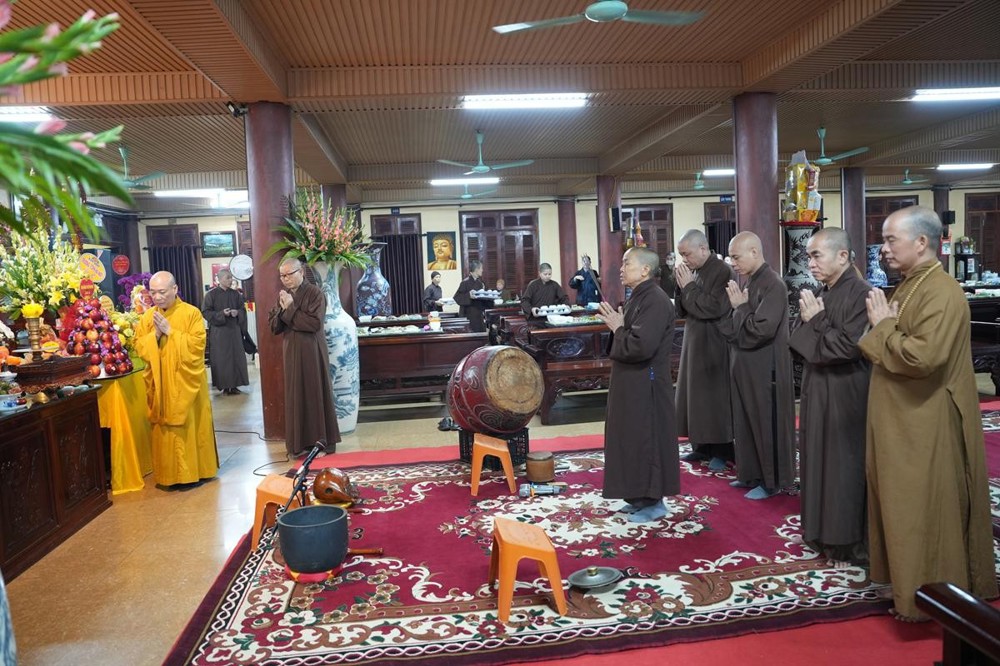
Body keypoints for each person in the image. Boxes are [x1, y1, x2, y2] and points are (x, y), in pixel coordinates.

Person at [858, 206, 996, 622]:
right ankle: (905, 583)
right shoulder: (910, 283)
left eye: (890, 239)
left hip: (926, 420)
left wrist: (883, 327)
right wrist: (882, 328)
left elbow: (922, 358)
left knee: (922, 507)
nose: (884, 249)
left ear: (921, 242)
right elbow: (882, 338)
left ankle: (926, 599)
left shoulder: (942, 291)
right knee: (899, 503)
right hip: (903, 415)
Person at [788, 228, 871, 567]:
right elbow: (799, 338)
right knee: (816, 459)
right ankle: (818, 532)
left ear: (842, 256)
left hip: (845, 391)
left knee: (841, 466)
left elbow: (847, 348)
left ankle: (846, 544)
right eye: (808, 256)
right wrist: (812, 323)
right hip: (818, 387)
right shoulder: (825, 290)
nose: (810, 263)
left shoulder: (862, 293)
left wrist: (817, 321)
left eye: (816, 255)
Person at [596, 247, 679, 524]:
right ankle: (637, 497)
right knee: (630, 438)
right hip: (632, 382)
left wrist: (618, 327)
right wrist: (618, 326)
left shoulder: (655, 300)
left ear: (645, 270)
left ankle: (654, 502)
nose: (621, 269)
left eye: (626, 263)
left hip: (648, 383)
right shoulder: (638, 296)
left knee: (647, 440)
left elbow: (642, 346)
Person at [718, 232, 796, 500]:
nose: (733, 263)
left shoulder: (773, 284)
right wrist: (737, 311)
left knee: (766, 425)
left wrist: (740, 308)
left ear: (754, 252)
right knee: (746, 421)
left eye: (736, 257)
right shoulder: (752, 281)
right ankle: (750, 474)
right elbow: (738, 324)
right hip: (746, 365)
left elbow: (762, 329)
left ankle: (771, 482)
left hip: (766, 369)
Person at [134, 271, 219, 487]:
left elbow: (198, 346)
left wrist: (170, 331)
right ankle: (168, 476)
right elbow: (140, 348)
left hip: (185, 383)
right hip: (160, 383)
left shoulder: (191, 313)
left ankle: (195, 473)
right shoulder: (147, 317)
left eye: (162, 292)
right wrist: (155, 335)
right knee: (164, 429)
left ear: (175, 289)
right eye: (153, 292)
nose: (157, 297)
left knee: (189, 425)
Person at [673, 230, 735, 472]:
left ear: (702, 248)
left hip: (715, 341)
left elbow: (714, 307)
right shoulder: (695, 271)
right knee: (694, 396)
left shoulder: (722, 271)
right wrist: (680, 286)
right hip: (694, 339)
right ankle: (701, 446)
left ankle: (722, 450)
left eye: (686, 254)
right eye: (681, 255)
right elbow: (682, 309)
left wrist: (688, 286)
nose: (684, 259)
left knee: (714, 399)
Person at [268, 258, 341, 457]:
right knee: (296, 395)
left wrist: (290, 308)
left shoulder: (315, 293)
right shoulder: (285, 296)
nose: (285, 279)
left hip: (311, 352)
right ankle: (299, 444)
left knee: (314, 394)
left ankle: (320, 444)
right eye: (282, 276)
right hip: (291, 352)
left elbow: (313, 324)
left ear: (301, 272)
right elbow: (274, 326)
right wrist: (284, 308)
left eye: (289, 274)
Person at [201, 268, 249, 395]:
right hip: (219, 333)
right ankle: (225, 386)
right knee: (222, 359)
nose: (231, 280)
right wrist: (222, 314)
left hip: (234, 331)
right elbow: (205, 312)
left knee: (236, 357)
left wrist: (237, 312)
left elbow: (242, 310)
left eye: (231, 277)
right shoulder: (211, 295)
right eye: (228, 277)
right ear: (219, 279)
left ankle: (235, 385)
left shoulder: (236, 294)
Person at [453, 260, 489, 332]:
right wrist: (468, 295)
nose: (482, 270)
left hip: (479, 316)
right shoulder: (465, 282)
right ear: (476, 269)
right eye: (481, 268)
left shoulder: (480, 283)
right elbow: (457, 297)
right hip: (468, 316)